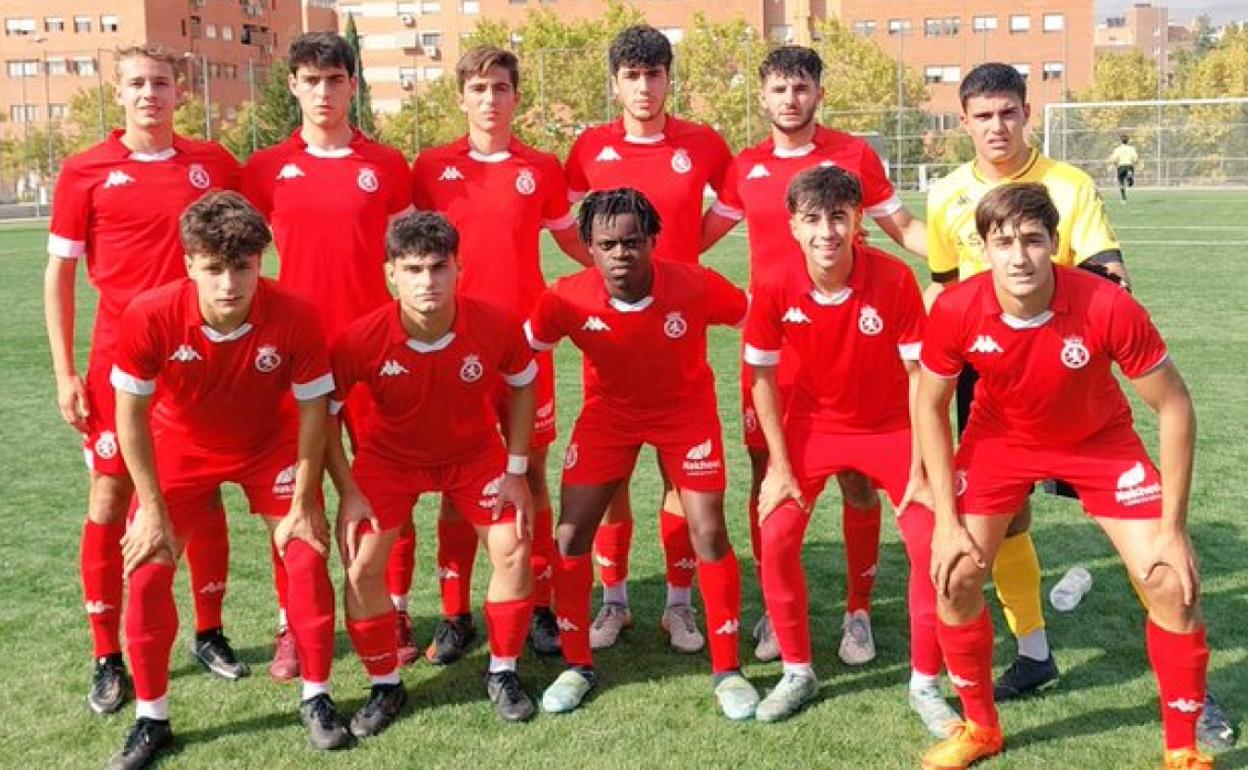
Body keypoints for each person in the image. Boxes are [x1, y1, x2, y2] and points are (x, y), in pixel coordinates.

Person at [915, 182, 1212, 770]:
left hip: (1099, 443)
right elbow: (928, 403)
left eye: (1032, 240)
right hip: (1000, 443)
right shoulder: (956, 308)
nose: (1018, 256)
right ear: (984, 248)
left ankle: (1182, 747)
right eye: (1003, 242)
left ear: (1055, 242)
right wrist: (946, 519)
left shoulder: (1105, 305)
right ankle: (980, 729)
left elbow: (1175, 405)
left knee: (1170, 583)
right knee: (954, 578)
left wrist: (1174, 528)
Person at [701, 44, 928, 665]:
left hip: (850, 341)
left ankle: (858, 611)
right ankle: (778, 618)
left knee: (858, 480)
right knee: (768, 476)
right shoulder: (745, 167)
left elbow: (901, 226)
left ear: (818, 94)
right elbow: (699, 237)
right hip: (774, 350)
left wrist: (961, 264)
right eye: (778, 89)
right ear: (764, 97)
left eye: (801, 88)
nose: (790, 99)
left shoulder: (852, 156)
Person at [106, 192, 344, 770]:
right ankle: (151, 716)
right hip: (181, 449)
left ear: (262, 261)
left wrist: (306, 498)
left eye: (242, 267)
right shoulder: (150, 314)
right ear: (189, 264)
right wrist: (153, 509)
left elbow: (315, 410)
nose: (229, 284)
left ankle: (316, 696)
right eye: (213, 268)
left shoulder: (296, 313)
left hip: (270, 446)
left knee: (306, 554)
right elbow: (130, 414)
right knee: (147, 570)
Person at [45, 44, 243, 715]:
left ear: (179, 91)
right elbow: (60, 275)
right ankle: (107, 653)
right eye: (136, 83)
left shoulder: (212, 165)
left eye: (160, 82)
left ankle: (209, 632)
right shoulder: (85, 171)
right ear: (118, 91)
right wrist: (66, 370)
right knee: (109, 495)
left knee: (203, 488)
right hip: (116, 364)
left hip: (200, 359)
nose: (149, 94)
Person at [924, 62, 1127, 703]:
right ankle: (1034, 653)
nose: (997, 127)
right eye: (983, 116)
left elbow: (1111, 278)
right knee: (1007, 519)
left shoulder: (1068, 186)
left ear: (1026, 112)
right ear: (964, 122)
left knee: (1126, 525)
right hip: (985, 387)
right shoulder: (945, 195)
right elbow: (944, 284)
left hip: (1068, 383)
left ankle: (1190, 677)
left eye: (1008, 112)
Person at [527, 188, 758, 720]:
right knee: (570, 534)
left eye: (633, 241)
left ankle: (726, 669)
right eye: (608, 243)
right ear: (588, 246)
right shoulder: (565, 296)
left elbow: (755, 319)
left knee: (708, 530)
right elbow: (520, 354)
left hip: (685, 413)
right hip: (609, 416)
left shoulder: (695, 284)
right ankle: (578, 663)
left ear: (652, 241)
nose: (621, 253)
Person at [743, 165, 952, 735]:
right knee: (777, 532)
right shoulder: (775, 282)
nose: (826, 232)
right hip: (813, 426)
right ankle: (797, 670)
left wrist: (921, 468)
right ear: (792, 226)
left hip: (890, 427)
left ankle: (925, 684)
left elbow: (919, 378)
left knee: (929, 541)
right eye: (812, 220)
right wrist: (779, 468)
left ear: (858, 221)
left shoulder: (894, 280)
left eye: (838, 217)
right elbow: (760, 376)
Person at [327, 211, 542, 728]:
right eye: (414, 269)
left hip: (473, 455)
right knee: (360, 566)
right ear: (390, 274)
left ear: (458, 268)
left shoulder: (495, 324)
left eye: (439, 268)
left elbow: (523, 385)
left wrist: (516, 470)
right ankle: (385, 685)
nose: (428, 282)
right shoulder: (359, 340)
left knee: (514, 547)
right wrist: (348, 489)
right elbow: (324, 415)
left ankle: (503, 670)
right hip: (389, 460)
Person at [242, 31, 413, 678]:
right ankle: (292, 622)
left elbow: (412, 258)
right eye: (310, 80)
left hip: (374, 355)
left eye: (334, 79)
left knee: (384, 487)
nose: (323, 92)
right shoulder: (262, 170)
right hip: (293, 358)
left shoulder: (388, 166)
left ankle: (393, 607)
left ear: (352, 85)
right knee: (295, 493)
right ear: (292, 85)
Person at [410, 45, 588, 664]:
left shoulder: (540, 167)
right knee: (455, 484)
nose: (490, 99)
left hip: (522, 349)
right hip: (448, 350)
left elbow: (574, 243)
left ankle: (539, 605)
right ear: (462, 97)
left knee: (530, 475)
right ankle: (456, 614)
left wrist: (636, 274)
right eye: (479, 88)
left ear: (516, 97)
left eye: (501, 88)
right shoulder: (429, 167)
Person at [562, 25, 735, 653]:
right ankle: (614, 603)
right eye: (632, 75)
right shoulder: (588, 148)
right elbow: (571, 224)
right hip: (610, 339)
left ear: (669, 79)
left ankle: (680, 606)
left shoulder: (704, 143)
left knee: (677, 476)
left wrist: (683, 259)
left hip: (678, 336)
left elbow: (730, 208)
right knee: (608, 482)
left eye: (654, 74)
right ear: (615, 82)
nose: (644, 86)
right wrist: (599, 278)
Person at [1109, 134, 1139, 203]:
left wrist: (1113, 164)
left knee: (1121, 182)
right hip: (1129, 165)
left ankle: (1123, 198)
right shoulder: (1131, 149)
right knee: (1130, 182)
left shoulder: (1117, 149)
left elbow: (1114, 159)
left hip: (1121, 166)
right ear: (1128, 141)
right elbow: (1135, 158)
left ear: (1121, 141)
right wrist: (1134, 162)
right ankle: (1130, 178)